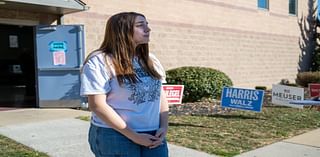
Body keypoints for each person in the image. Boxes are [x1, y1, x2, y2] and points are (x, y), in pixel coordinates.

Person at [80, 12, 169, 157]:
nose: (148, 29)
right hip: (115, 135)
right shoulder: (99, 61)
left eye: (147, 24)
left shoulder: (150, 60)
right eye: (140, 25)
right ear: (122, 30)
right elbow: (97, 105)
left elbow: (161, 95)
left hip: (153, 133)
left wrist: (164, 126)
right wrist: (134, 136)